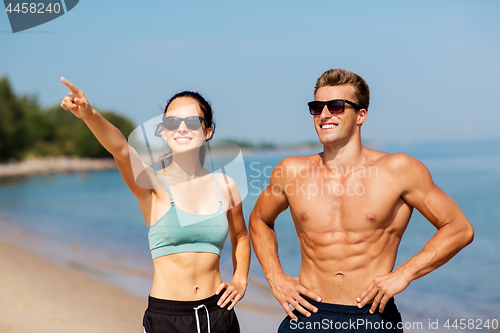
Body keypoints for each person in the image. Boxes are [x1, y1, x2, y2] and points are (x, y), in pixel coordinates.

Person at [249, 69, 474, 332]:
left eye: (336, 107)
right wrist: (275, 277)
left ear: (361, 115)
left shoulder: (399, 169)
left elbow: (459, 228)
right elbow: (259, 220)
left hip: (372, 316)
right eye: (316, 107)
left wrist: (405, 273)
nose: (324, 115)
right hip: (306, 316)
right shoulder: (291, 171)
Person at [59, 78, 250, 333]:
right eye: (173, 122)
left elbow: (241, 236)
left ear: (207, 131)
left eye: (192, 121)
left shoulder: (225, 185)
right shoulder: (151, 184)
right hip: (166, 318)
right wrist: (89, 114)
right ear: (164, 131)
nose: (182, 128)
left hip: (219, 314)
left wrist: (240, 280)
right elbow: (122, 150)